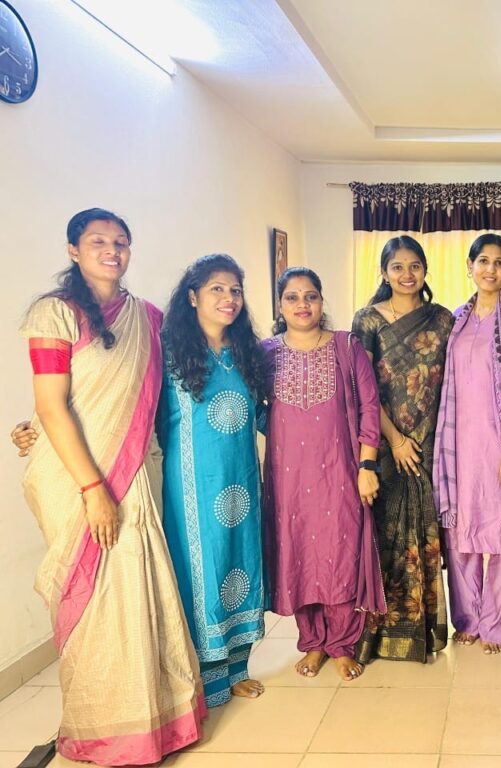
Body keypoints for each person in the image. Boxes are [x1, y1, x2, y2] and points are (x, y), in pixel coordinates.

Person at [19, 209, 203, 764]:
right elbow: (52, 406)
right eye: (98, 241)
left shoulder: (148, 318)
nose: (111, 250)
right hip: (80, 481)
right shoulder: (55, 313)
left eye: (120, 242)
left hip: (135, 473)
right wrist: (91, 487)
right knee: (96, 602)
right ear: (73, 250)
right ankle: (102, 728)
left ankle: (154, 722)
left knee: (139, 594)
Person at [262, 267, 385, 680]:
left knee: (340, 553)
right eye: (292, 297)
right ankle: (313, 642)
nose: (302, 304)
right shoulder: (265, 353)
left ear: (321, 301)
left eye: (310, 296)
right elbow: (254, 408)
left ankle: (342, 644)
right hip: (288, 477)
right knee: (298, 554)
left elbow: (370, 407)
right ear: (280, 306)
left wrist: (367, 465)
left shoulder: (346, 347)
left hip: (340, 471)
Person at [157, 254, 269, 707]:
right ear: (192, 296)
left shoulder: (246, 353)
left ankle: (237, 668)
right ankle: (205, 677)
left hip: (242, 481)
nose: (229, 298)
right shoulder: (168, 352)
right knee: (201, 571)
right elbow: (128, 407)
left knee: (239, 566)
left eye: (235, 290)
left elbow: (268, 415)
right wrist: (38, 428)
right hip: (192, 486)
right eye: (217, 289)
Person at [433, 233, 501, 655]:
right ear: (470, 266)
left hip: (499, 439)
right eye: (483, 261)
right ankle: (468, 619)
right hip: (458, 442)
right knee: (462, 533)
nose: (490, 269)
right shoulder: (457, 319)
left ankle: (498, 623)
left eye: (499, 262)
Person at [352, 236, 453, 664]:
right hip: (383, 442)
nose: (407, 274)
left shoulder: (442, 319)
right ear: (384, 272)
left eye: (415, 266)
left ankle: (420, 633)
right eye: (397, 266)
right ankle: (376, 635)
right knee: (383, 534)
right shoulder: (367, 320)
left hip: (430, 442)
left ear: (425, 270)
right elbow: (363, 389)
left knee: (424, 534)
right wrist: (394, 440)